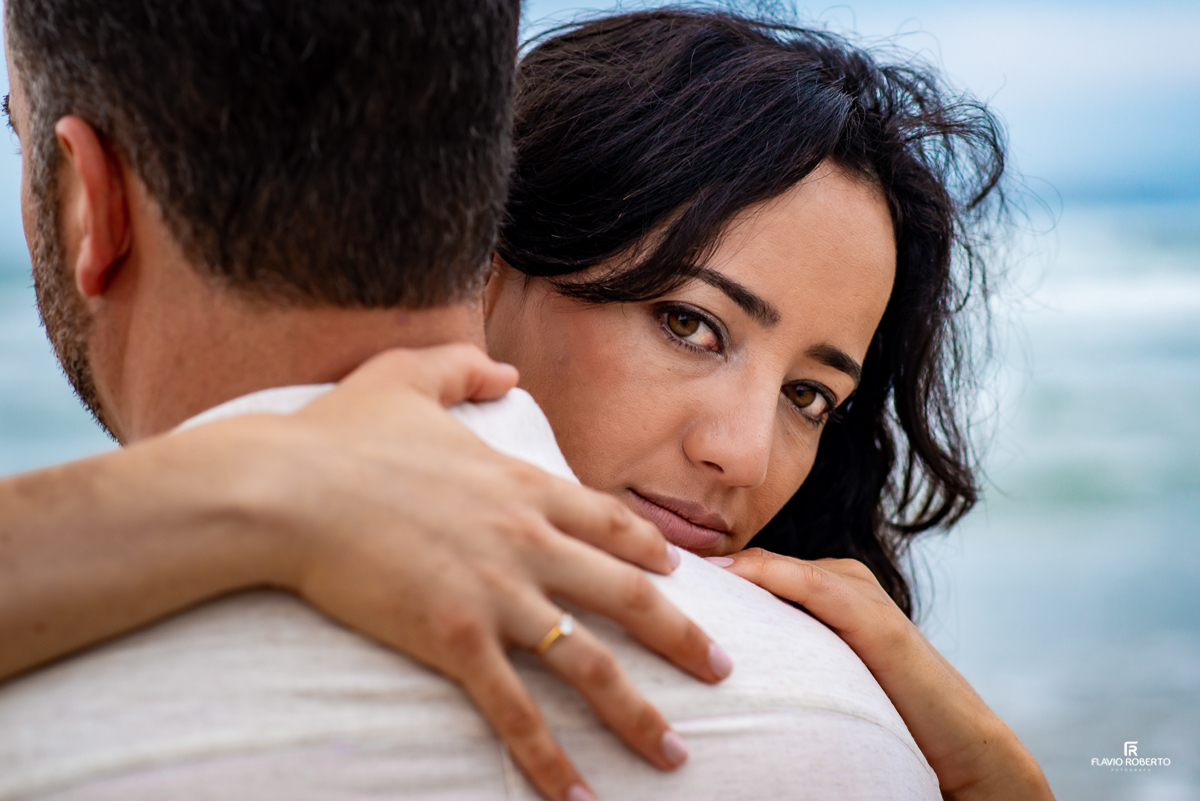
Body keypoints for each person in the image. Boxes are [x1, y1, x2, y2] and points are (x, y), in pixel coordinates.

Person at [0, 2, 947, 801]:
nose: (744, 455)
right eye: (689, 325)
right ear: (485, 267)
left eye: (813, 396)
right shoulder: (843, 731)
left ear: (88, 203)